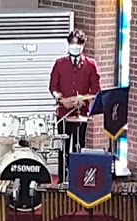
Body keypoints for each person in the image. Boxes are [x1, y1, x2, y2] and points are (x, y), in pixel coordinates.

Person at [49, 29, 101, 182]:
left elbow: (96, 90)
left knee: (79, 148)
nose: (74, 47)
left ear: (83, 46)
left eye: (78, 44)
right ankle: (62, 180)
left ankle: (78, 179)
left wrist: (84, 99)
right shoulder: (59, 64)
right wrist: (61, 99)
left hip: (81, 115)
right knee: (63, 149)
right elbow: (53, 87)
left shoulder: (91, 65)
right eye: (72, 44)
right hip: (64, 114)